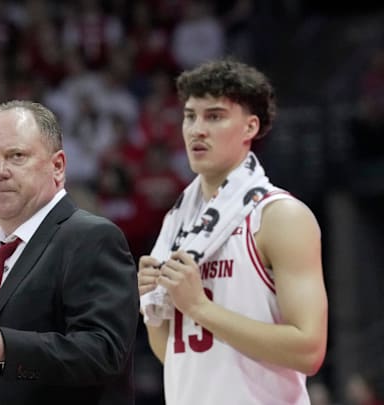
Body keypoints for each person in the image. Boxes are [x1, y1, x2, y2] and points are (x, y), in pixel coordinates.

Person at [137, 59, 328, 404]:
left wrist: (199, 308)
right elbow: (178, 358)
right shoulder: (178, 223)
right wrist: (153, 306)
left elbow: (309, 350)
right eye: (190, 116)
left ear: (249, 127)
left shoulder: (278, 216)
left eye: (214, 116)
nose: (197, 129)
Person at [0, 100, 140, 404]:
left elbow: (103, 353)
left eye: (16, 156)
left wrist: (5, 346)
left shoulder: (91, 238)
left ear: (58, 166)